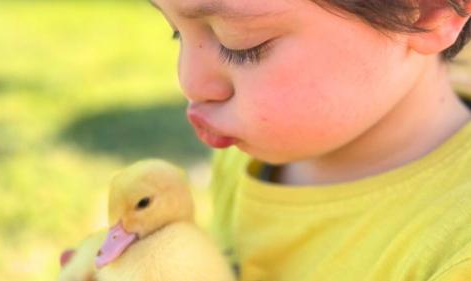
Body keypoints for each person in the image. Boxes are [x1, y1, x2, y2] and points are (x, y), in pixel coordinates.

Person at [59, 0, 471, 280]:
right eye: (177, 33)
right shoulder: (241, 160)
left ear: (427, 12)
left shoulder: (455, 250)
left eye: (242, 45)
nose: (189, 82)